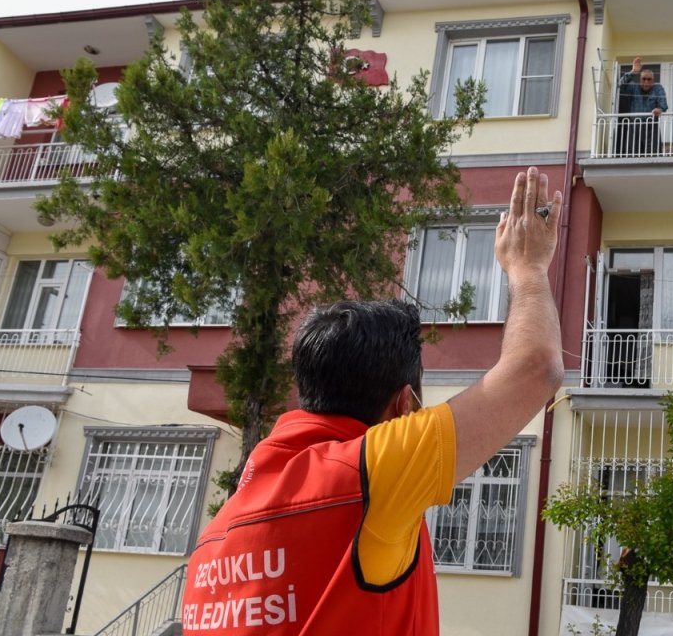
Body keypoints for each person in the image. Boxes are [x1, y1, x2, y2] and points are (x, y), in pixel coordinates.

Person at [180, 167, 565, 635]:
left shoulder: (216, 535)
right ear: (403, 406)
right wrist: (528, 269)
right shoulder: (367, 476)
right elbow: (537, 367)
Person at [615, 56, 668, 156]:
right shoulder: (633, 87)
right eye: (644, 79)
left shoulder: (657, 87)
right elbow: (620, 86)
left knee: (653, 156)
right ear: (640, 80)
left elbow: (663, 104)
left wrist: (659, 110)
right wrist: (632, 72)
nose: (646, 82)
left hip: (651, 127)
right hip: (634, 127)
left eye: (649, 79)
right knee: (632, 156)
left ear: (653, 80)